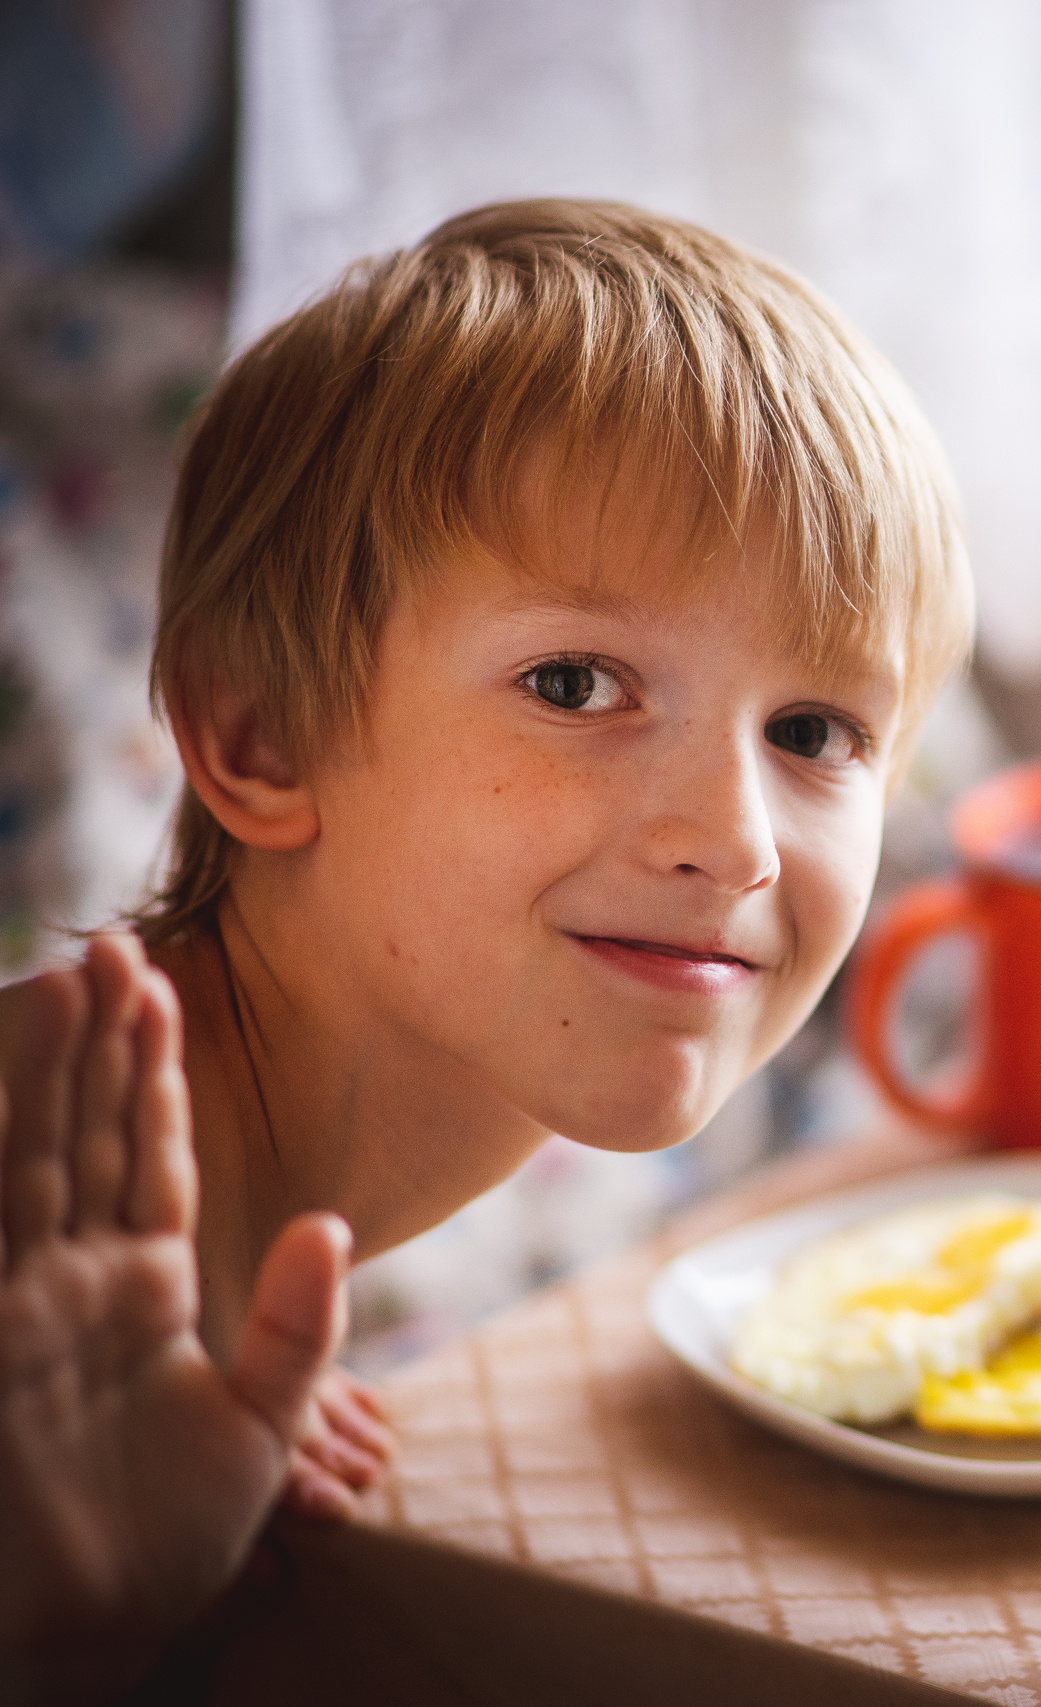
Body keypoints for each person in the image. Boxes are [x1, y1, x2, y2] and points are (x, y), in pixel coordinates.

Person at [0, 199, 974, 1699]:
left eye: (812, 731)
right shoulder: (34, 1194)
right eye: (575, 683)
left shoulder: (212, 1286)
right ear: (260, 737)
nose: (738, 838)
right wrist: (52, 1608)